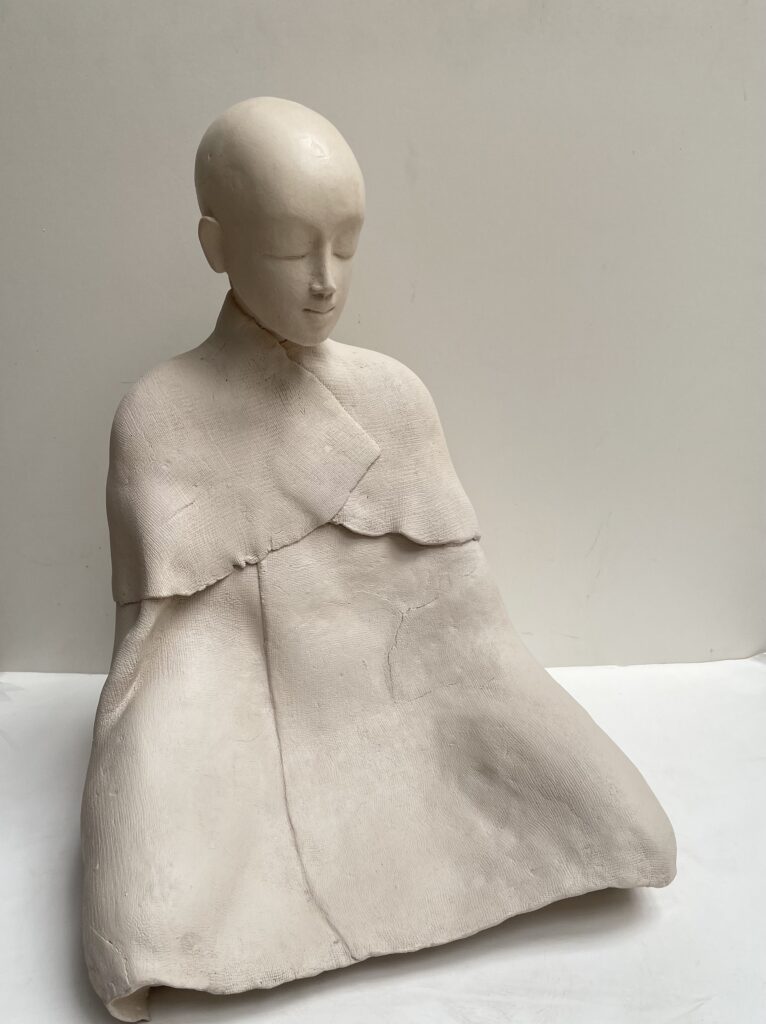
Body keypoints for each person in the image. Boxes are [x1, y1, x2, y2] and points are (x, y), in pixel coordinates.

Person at [81, 97, 676, 1023]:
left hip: (409, 688)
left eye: (347, 246)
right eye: (292, 249)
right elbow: (156, 655)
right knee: (144, 907)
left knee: (615, 816)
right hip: (225, 718)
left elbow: (466, 624)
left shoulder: (393, 396)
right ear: (216, 245)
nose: (326, 282)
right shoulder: (160, 416)